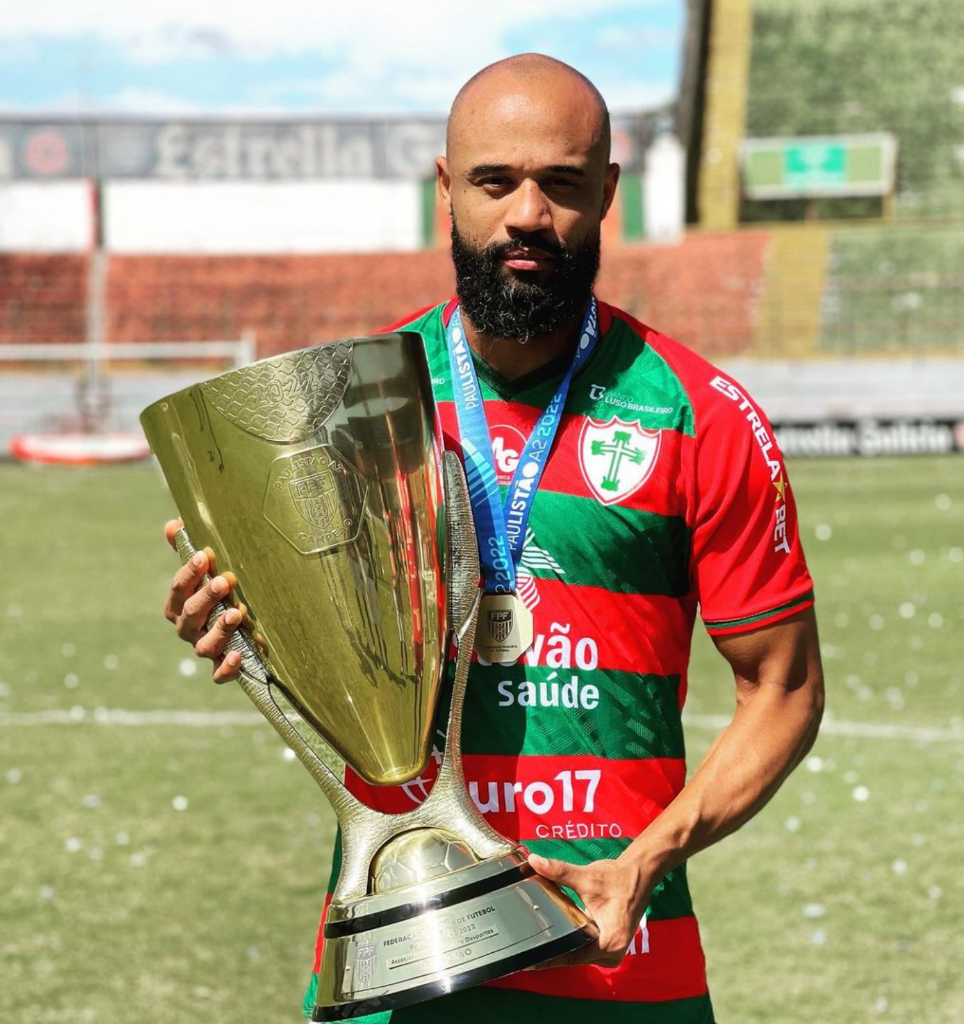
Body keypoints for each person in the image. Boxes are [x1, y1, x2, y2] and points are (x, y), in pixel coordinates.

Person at [162, 54, 824, 1024]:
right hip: (400, 950)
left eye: (560, 183)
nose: (526, 213)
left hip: (617, 958)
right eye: (494, 180)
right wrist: (238, 624)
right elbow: (312, 664)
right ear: (445, 191)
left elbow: (785, 684)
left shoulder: (700, 414)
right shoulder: (345, 414)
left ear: (606, 192)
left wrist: (645, 859)